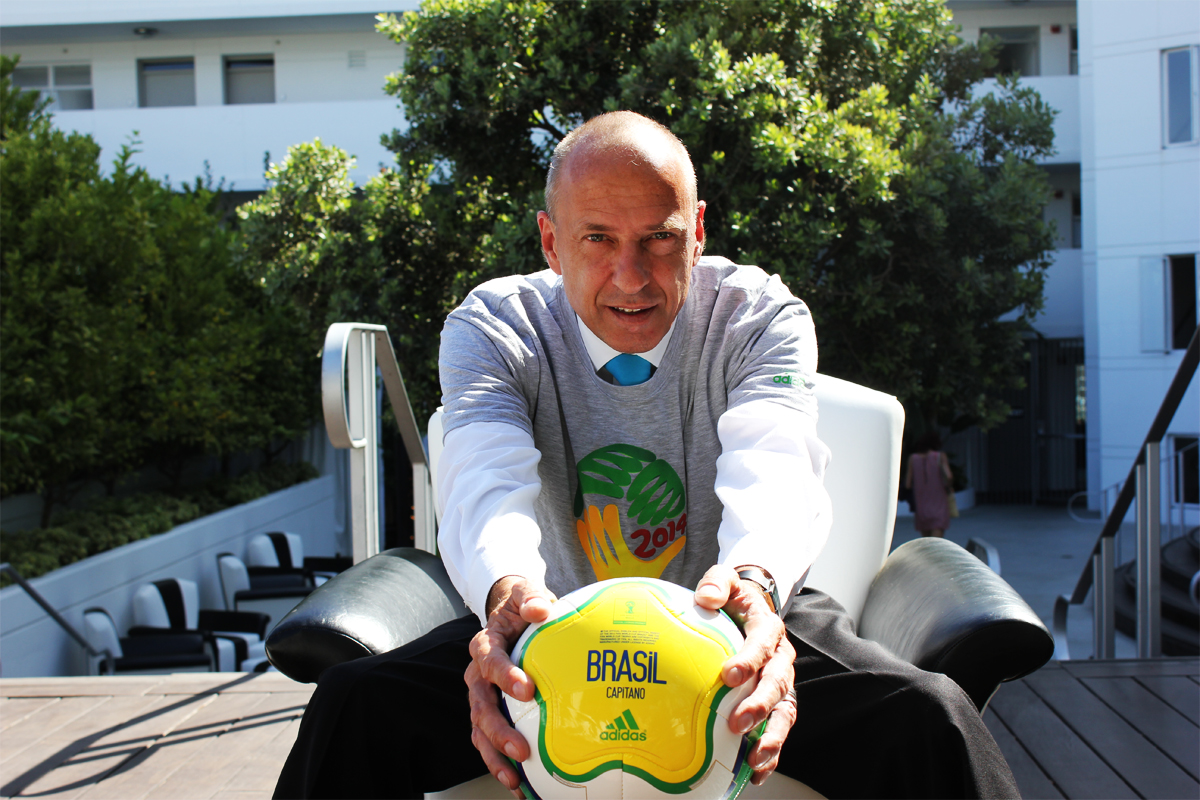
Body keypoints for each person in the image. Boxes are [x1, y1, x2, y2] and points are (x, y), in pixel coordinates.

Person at [274, 111, 1018, 800]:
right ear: (550, 242)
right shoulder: (495, 326)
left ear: (697, 232)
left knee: (932, 715)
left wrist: (756, 587)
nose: (630, 277)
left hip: (736, 620)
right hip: (547, 628)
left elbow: (776, 465)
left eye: (659, 238)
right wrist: (507, 595)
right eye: (598, 239)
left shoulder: (759, 316)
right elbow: (482, 476)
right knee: (354, 706)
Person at [906, 430, 955, 538]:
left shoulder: (913, 459)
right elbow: (949, 476)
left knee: (926, 542)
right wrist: (948, 486)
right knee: (936, 543)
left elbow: (908, 484)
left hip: (921, 507)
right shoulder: (940, 456)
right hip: (939, 504)